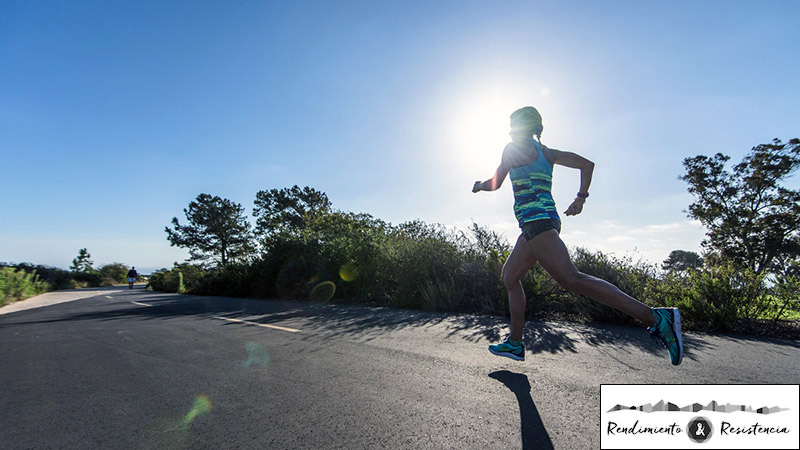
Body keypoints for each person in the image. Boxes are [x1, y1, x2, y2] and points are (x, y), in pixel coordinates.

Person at [472, 106, 683, 365]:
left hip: (537, 222)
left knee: (571, 279)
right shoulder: (547, 153)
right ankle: (515, 343)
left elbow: (495, 182)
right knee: (510, 276)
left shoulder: (512, 149)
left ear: (518, 126)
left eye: (512, 124)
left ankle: (657, 318)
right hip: (538, 223)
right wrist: (581, 197)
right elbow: (586, 165)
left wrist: (479, 186)